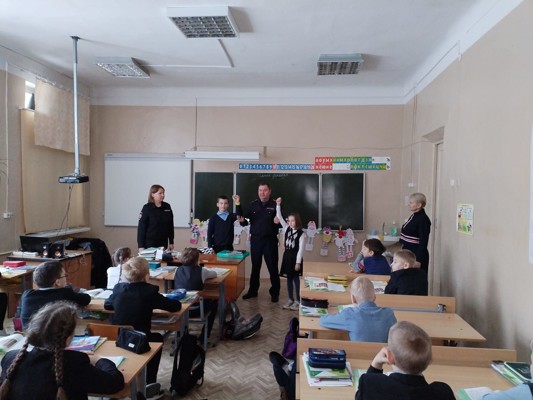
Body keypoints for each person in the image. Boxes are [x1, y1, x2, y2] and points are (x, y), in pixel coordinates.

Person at [0, 300, 124, 399]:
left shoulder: (10, 358)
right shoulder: (74, 363)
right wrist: (98, 360)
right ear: (68, 339)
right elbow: (115, 382)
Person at [104, 256, 182, 386]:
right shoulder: (149, 291)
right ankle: (150, 382)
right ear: (147, 275)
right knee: (157, 338)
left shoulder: (118, 289)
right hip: (140, 338)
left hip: (119, 337)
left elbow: (107, 305)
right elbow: (175, 306)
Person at [355, 321, 455, 400]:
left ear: (389, 357)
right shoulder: (443, 393)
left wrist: (375, 365)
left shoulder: (370, 384)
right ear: (430, 359)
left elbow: (365, 393)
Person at [237, 182, 281, 302]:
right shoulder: (253, 205)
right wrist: (242, 221)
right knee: (255, 267)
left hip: (270, 241)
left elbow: (283, 222)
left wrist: (278, 222)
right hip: (256, 240)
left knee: (272, 268)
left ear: (269, 191)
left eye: (265, 190)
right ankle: (253, 291)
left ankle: (275, 293)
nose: (262, 193)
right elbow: (246, 220)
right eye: (260, 190)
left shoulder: (275, 205)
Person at [319, 276, 396, 342]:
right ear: (374, 297)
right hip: (383, 354)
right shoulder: (389, 313)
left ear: (353, 298)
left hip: (358, 353)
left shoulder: (350, 314)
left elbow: (323, 321)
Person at [20, 261, 91, 330]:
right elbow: (86, 299)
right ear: (58, 282)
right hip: (53, 335)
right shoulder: (65, 293)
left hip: (30, 335)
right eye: (65, 275)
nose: (66, 278)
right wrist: (69, 290)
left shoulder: (27, 295)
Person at [174, 247, 218, 341]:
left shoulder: (176, 270)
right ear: (197, 260)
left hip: (180, 309)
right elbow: (214, 274)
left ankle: (180, 332)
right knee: (215, 304)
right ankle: (204, 336)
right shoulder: (202, 271)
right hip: (197, 309)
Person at [275, 197, 305, 311]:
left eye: (293, 221)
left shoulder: (301, 234)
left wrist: (298, 263)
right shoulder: (287, 228)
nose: (290, 222)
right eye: (289, 220)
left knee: (296, 279)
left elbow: (300, 250)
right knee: (288, 279)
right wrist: (278, 205)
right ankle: (290, 299)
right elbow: (279, 217)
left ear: (297, 221)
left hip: (295, 258)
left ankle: (298, 300)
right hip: (287, 257)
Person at [399, 193, 431, 273]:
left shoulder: (423, 219)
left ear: (419, 205)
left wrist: (418, 260)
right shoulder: (415, 216)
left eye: (411, 203)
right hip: (408, 253)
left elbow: (423, 241)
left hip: (416, 256)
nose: (408, 204)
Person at [137, 184, 175, 253]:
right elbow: (141, 228)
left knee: (163, 259)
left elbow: (170, 226)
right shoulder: (147, 208)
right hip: (149, 243)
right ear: (152, 194)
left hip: (163, 242)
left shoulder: (167, 206)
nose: (163, 195)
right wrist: (140, 246)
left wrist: (171, 242)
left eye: (163, 193)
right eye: (160, 193)